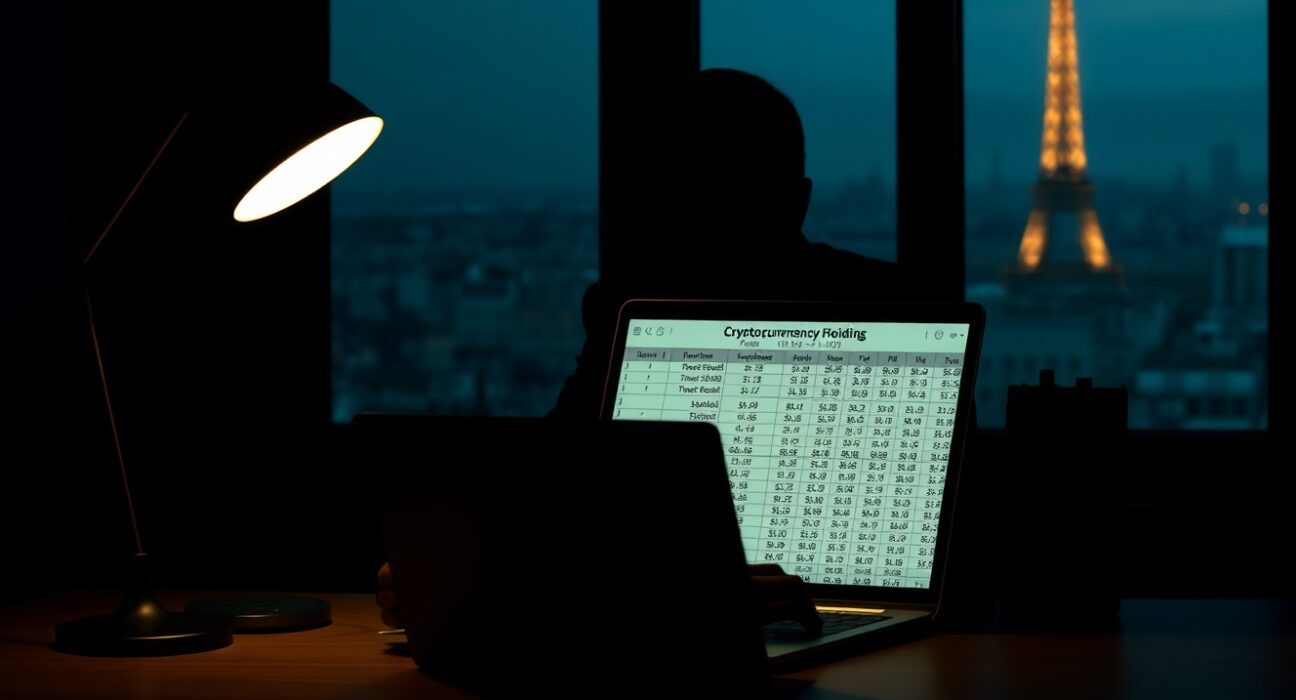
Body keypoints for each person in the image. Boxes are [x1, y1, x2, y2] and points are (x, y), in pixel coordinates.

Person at [379, 68, 919, 634]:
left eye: (714, 188)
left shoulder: (630, 306)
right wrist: (471, 568)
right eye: (670, 189)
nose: (682, 217)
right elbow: (550, 484)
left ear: (792, 200)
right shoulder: (624, 308)